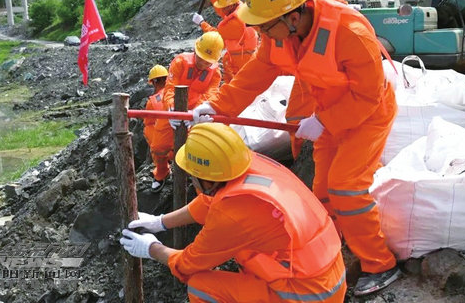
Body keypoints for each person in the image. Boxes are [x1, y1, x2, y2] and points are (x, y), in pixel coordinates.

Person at [192, 0, 402, 296]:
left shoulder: (350, 32)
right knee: (320, 192)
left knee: (346, 188)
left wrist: (325, 122)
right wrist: (218, 107)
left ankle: (381, 264)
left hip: (367, 115)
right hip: (327, 113)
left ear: (293, 17)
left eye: (264, 27)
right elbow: (254, 74)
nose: (260, 34)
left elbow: (367, 95)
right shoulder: (278, 34)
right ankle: (332, 253)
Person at [120, 123, 346, 302]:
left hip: (307, 295)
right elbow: (208, 203)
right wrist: (161, 223)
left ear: (207, 179)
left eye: (193, 175)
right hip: (326, 276)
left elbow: (188, 264)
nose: (191, 180)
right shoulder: (246, 167)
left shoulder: (234, 215)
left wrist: (152, 248)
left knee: (201, 288)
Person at [256, 0, 347, 159]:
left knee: (334, 117)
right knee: (296, 118)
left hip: (330, 65)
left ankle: (326, 157)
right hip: (305, 69)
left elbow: (341, 16)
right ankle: (303, 166)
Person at [148, 32, 223, 192]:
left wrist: (196, 112)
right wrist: (171, 108)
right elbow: (169, 87)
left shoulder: (215, 74)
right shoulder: (180, 62)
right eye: (200, 57)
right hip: (171, 111)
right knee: (158, 148)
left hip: (194, 116)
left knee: (195, 148)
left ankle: (196, 183)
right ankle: (161, 173)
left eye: (207, 61)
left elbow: (211, 95)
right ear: (195, 51)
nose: (202, 63)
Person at [193, 0, 259, 83]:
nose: (222, 9)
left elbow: (217, 36)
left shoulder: (237, 22)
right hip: (238, 59)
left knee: (240, 86)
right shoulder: (238, 7)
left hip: (243, 63)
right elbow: (222, 9)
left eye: (224, 7)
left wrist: (202, 23)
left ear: (231, 5)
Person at [143, 64, 168, 181]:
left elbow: (148, 122)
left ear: (154, 82)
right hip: (186, 143)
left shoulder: (153, 102)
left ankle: (161, 172)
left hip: (166, 149)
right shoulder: (178, 93)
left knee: (148, 130)